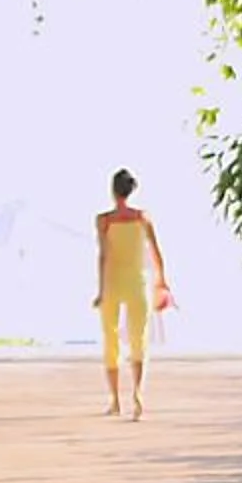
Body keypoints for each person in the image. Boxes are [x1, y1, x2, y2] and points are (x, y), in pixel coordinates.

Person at [93, 169, 170, 418]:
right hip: (138, 282)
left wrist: (100, 290)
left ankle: (115, 400)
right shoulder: (142, 218)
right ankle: (137, 394)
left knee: (111, 339)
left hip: (113, 282)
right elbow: (157, 253)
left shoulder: (104, 220)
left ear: (113, 190)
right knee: (139, 339)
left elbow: (103, 256)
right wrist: (162, 282)